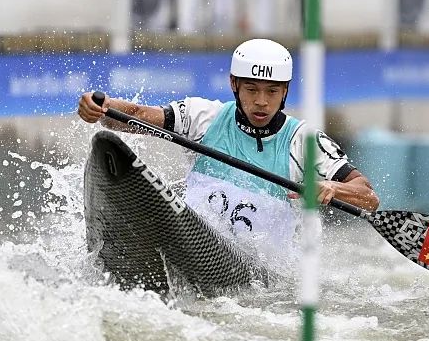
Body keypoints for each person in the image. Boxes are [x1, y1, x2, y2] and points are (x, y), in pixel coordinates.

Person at [78, 38, 379, 248]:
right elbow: (137, 115)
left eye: (272, 92)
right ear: (233, 84)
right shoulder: (203, 116)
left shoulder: (304, 141)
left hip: (263, 273)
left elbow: (368, 196)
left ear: (285, 91)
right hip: (196, 242)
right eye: (251, 89)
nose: (261, 102)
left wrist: (332, 188)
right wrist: (101, 108)